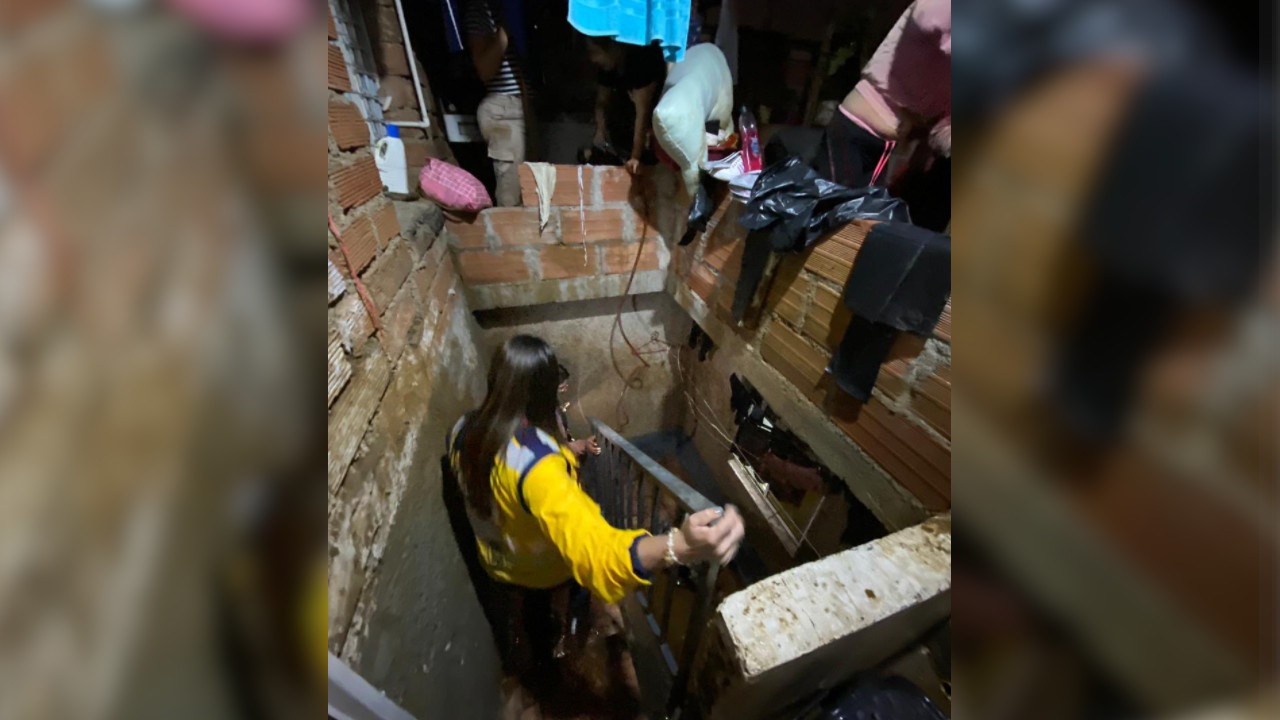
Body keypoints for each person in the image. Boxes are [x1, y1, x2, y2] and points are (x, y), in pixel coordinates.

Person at [447, 335, 745, 677]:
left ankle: (545, 657)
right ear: (546, 390)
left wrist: (570, 450)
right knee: (554, 604)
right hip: (540, 569)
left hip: (497, 560)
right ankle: (564, 644)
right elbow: (598, 552)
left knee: (533, 616)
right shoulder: (539, 468)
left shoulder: (463, 428)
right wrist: (679, 545)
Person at [818, 0, 950, 190]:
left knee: (858, 214)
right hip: (858, 128)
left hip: (883, 140)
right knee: (841, 212)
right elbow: (928, 16)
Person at [466, 0, 530, 206]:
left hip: (529, 109)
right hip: (505, 108)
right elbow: (484, 70)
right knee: (512, 198)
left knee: (536, 192)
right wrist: (506, 30)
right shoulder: (482, 9)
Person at [586, 37, 667, 174]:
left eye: (596, 53)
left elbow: (643, 114)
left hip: (652, 122)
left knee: (645, 164)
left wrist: (635, 157)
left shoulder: (640, 64)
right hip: (625, 119)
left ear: (614, 50)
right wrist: (600, 131)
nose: (593, 59)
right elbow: (601, 102)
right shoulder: (607, 67)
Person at [556, 364, 600, 457]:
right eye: (561, 388)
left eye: (566, 386)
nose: (564, 391)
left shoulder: (557, 408)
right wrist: (581, 445)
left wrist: (583, 444)